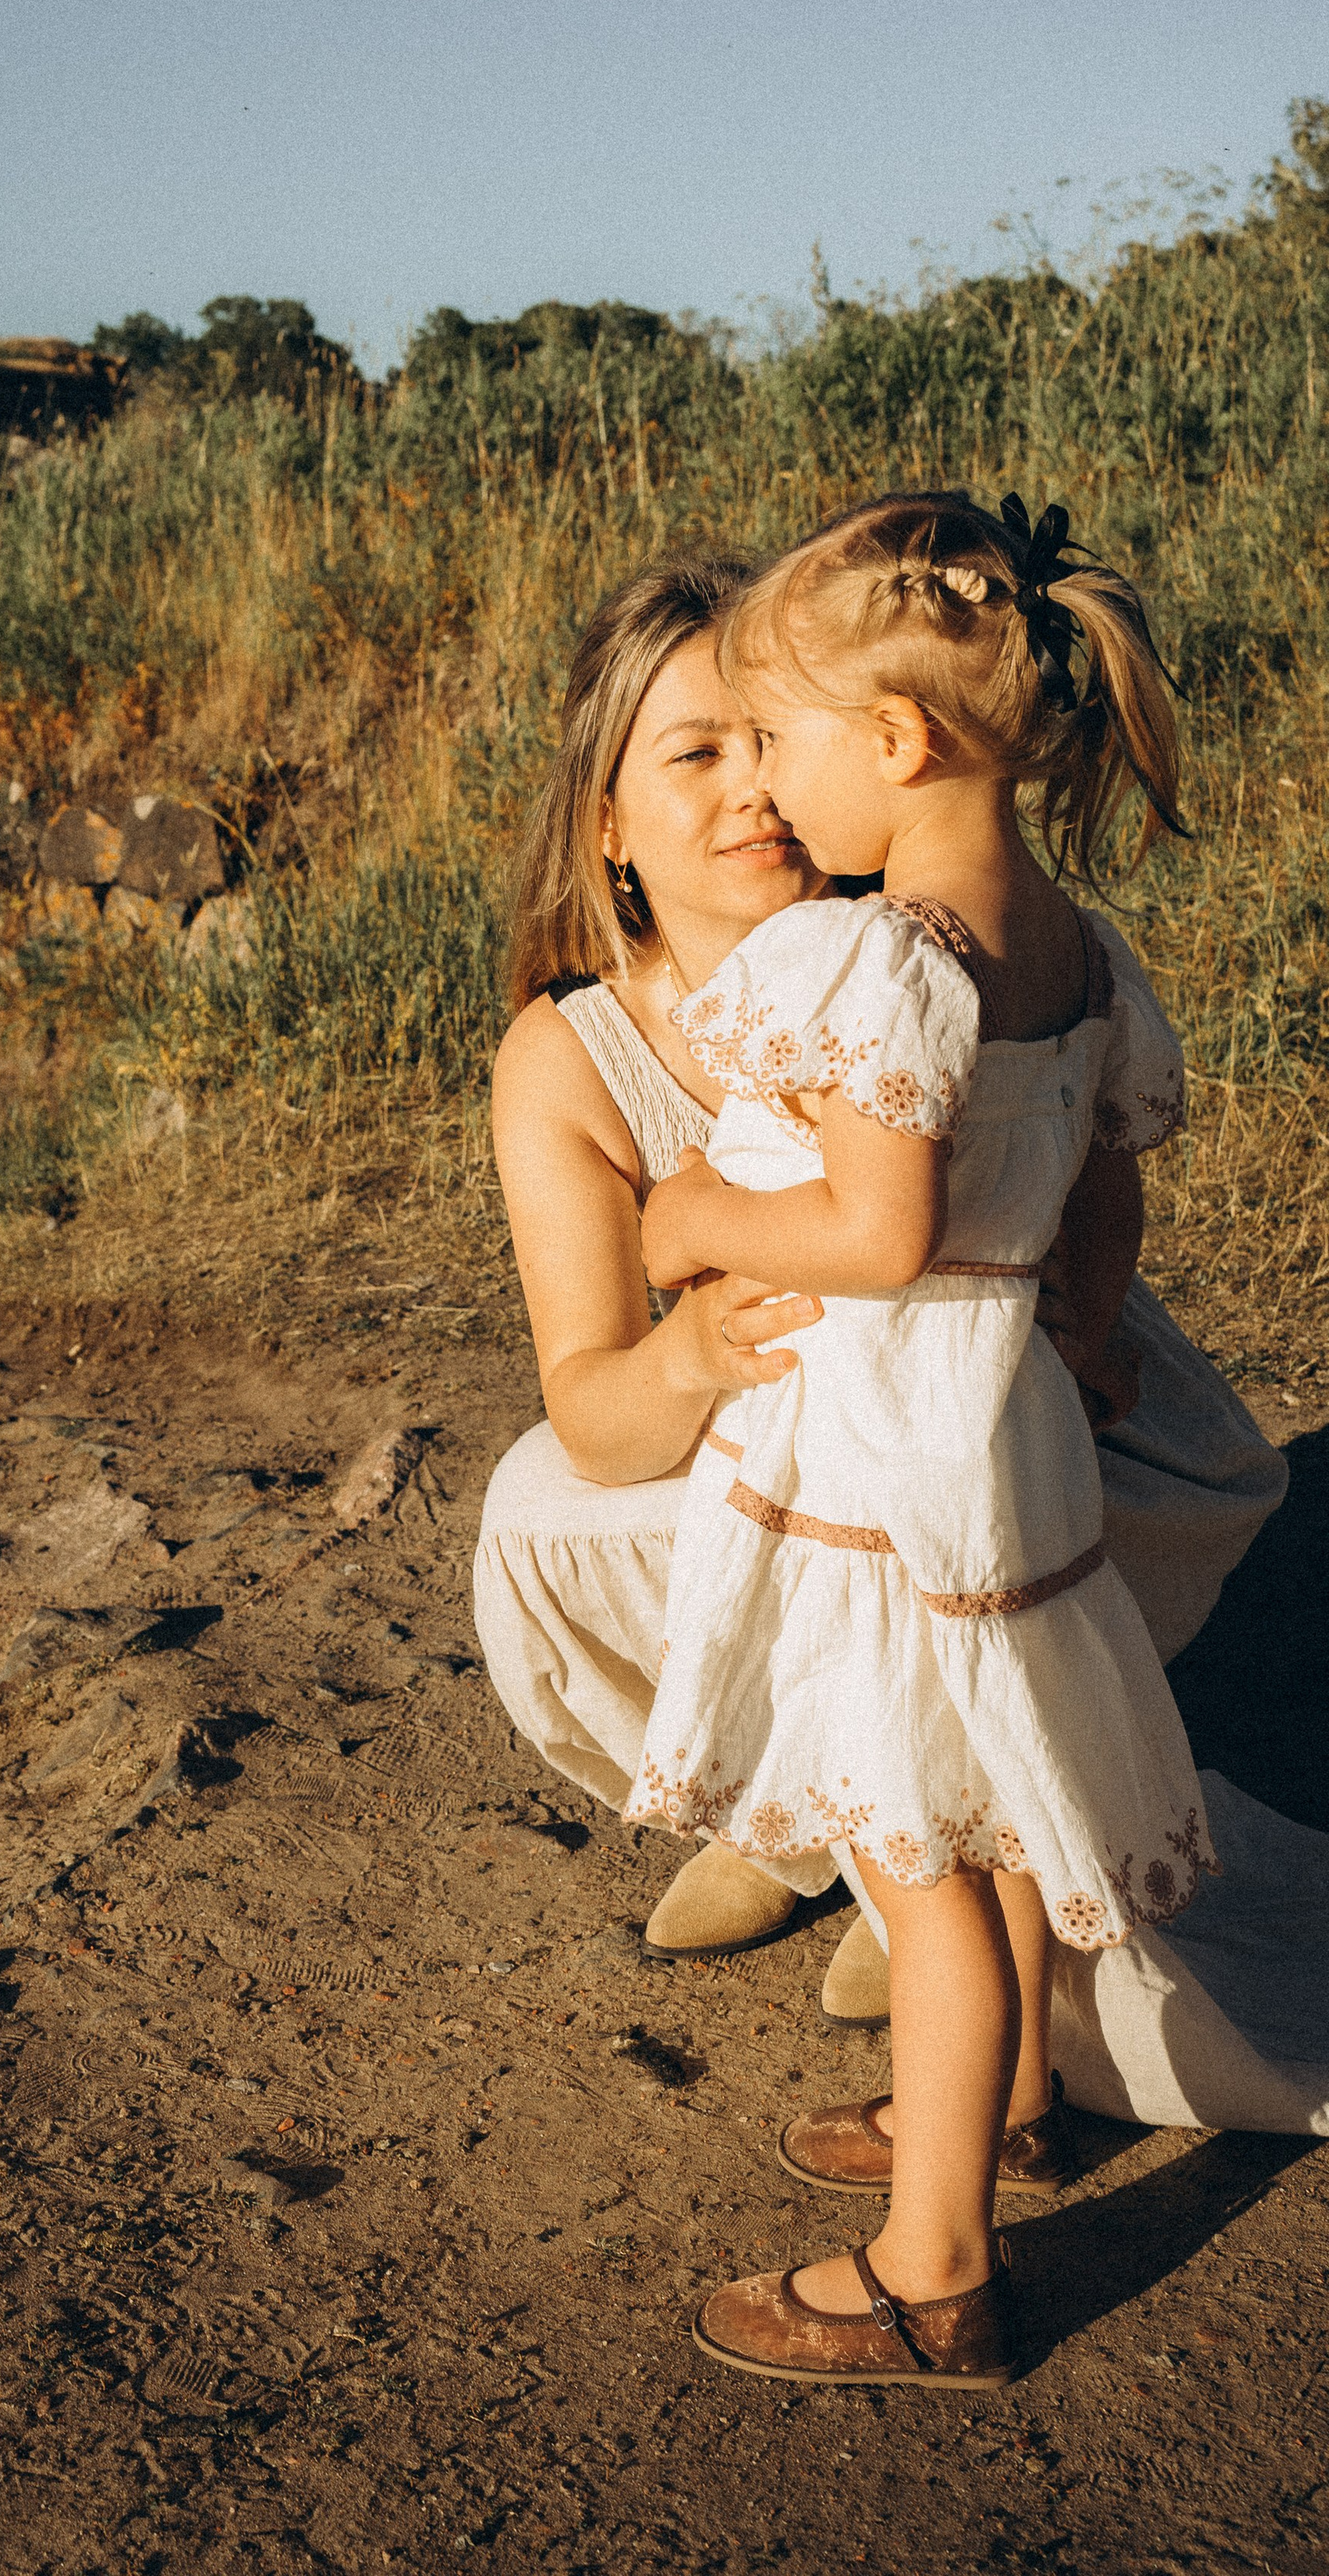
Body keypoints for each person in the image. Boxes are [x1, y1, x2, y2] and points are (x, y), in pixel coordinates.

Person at [478, 556, 1284, 2022]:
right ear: (607, 823)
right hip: (774, 1412)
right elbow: (596, 1412)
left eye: (773, 737)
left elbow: (1084, 1177)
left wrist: (1087, 1329)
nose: (758, 787)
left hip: (968, 1370)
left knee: (1139, 1473)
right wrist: (696, 1344)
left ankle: (938, 1832)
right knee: (541, 1515)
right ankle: (803, 1808)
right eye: (699, 752)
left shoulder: (921, 955)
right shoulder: (570, 1057)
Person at [631, 490, 1253, 2383]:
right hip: (1002, 1427)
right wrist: (1075, 1326)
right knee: (989, 1793)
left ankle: (930, 2271)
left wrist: (688, 1225)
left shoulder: (873, 956)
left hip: (894, 1453)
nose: (764, 787)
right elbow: (1103, 1181)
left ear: (893, 744)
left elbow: (874, 1230)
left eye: (778, 739)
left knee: (923, 1854)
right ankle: (987, 2115)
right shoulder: (1066, 945)